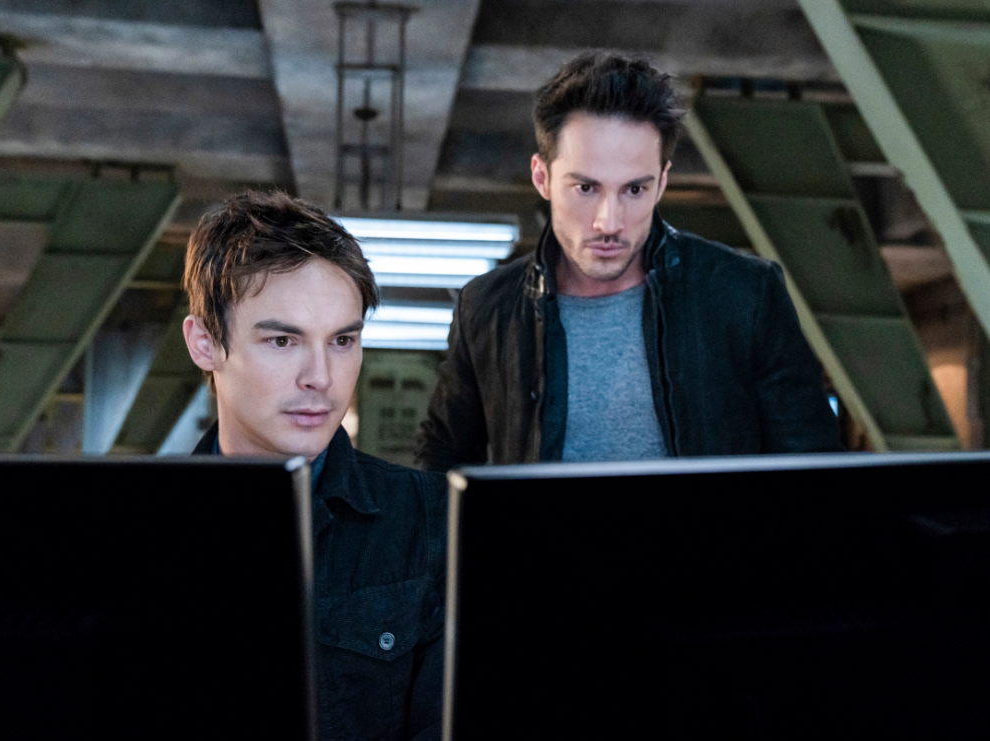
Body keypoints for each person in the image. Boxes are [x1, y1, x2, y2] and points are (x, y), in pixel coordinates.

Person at [416, 51, 842, 471]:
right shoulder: (488, 307)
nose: (609, 222)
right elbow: (441, 458)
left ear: (662, 183)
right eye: (586, 188)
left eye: (634, 190)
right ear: (541, 177)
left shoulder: (746, 294)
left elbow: (812, 470)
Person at [182, 191, 445, 741]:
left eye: (343, 340)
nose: (321, 377)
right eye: (283, 340)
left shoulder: (431, 522)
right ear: (205, 343)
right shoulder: (132, 534)